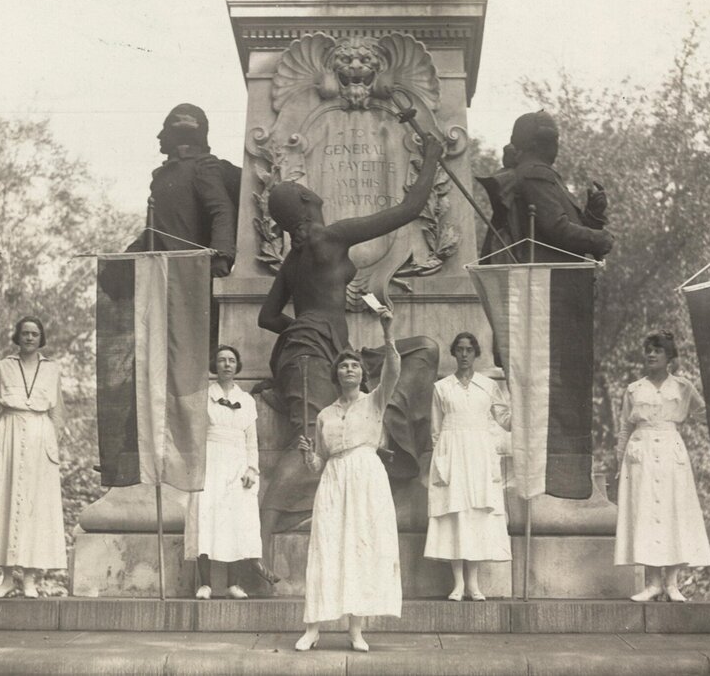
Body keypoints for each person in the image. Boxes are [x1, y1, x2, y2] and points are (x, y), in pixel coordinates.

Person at [255, 134, 444, 575]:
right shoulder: (333, 236)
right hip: (310, 356)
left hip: (327, 350)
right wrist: (432, 157)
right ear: (305, 201)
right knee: (307, 443)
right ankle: (259, 546)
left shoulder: (294, 259)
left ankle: (387, 448)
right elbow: (409, 210)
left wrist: (306, 329)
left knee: (422, 350)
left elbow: (267, 317)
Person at [294, 308, 401, 653]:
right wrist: (308, 454)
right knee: (326, 547)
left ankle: (356, 630)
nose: (349, 368)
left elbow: (394, 371)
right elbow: (318, 464)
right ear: (336, 374)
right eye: (343, 365)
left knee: (361, 548)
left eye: (354, 364)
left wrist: (387, 333)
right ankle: (313, 628)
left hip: (367, 478)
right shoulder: (325, 414)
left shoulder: (375, 403)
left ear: (362, 373)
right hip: (334, 480)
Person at [0, 316, 67, 598]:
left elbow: (58, 411)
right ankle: (6, 579)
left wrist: (51, 442)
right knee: (5, 502)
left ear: (41, 338)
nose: (29, 338)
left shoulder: (53, 369)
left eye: (34, 334)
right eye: (24, 333)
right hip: (9, 435)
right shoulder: (2, 367)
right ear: (17, 336)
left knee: (35, 508)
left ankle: (29, 579)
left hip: (40, 436)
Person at [615, 330, 710, 602]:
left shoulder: (682, 387)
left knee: (672, 512)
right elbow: (625, 426)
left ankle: (672, 583)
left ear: (669, 356)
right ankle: (652, 583)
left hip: (671, 452)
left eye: (657, 350)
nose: (651, 354)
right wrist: (620, 458)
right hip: (641, 452)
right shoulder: (634, 389)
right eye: (648, 349)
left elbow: (706, 414)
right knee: (646, 513)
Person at [424, 332, 511, 600]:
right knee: (455, 516)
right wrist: (443, 459)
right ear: (454, 353)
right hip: (452, 455)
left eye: (469, 350)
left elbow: (505, 419)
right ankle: (458, 583)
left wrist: (522, 403)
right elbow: (436, 429)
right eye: (459, 350)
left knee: (476, 516)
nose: (464, 355)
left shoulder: (488, 386)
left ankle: (473, 584)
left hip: (480, 457)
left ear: (475, 353)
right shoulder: (442, 387)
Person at [476, 110, 614, 264]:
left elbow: (558, 231)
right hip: (549, 281)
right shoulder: (535, 174)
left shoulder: (537, 173)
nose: (556, 144)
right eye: (553, 139)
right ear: (537, 143)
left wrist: (593, 215)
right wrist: (601, 239)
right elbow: (557, 229)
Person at [185, 345, 264, 599]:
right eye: (221, 360)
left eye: (231, 360)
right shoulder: (203, 397)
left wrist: (252, 468)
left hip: (238, 464)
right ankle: (205, 583)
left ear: (237, 366)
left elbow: (251, 440)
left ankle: (233, 584)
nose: (227, 365)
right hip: (210, 462)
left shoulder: (248, 401)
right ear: (215, 365)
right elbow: (195, 437)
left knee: (237, 520)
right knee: (205, 518)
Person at [125, 103, 237, 278]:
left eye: (165, 129)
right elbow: (155, 230)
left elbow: (222, 210)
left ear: (182, 133)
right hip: (162, 271)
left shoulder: (202, 167)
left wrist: (220, 256)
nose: (159, 136)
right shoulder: (161, 176)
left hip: (191, 272)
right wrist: (125, 259)